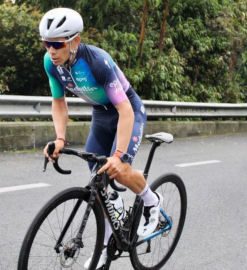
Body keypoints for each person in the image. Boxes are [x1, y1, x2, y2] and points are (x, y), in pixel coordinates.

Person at [40, 7, 163, 269]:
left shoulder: (97, 62)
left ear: (74, 41)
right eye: (46, 43)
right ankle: (108, 241)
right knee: (98, 178)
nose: (51, 50)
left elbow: (125, 110)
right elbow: (58, 102)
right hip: (101, 113)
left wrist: (119, 156)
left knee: (118, 169)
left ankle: (152, 202)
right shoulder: (52, 63)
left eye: (57, 44)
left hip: (127, 110)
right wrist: (60, 139)